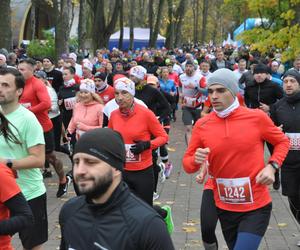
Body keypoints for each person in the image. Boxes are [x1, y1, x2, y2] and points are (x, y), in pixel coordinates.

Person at [183, 68, 290, 250]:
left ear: (233, 92)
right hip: (224, 205)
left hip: (256, 205)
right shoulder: (202, 125)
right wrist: (196, 159)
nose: (214, 96)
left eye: (220, 90)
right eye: (210, 91)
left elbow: (282, 142)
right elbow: (187, 164)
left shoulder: (256, 117)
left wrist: (272, 167)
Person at [59, 128, 175, 250]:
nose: (80, 170)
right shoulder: (69, 211)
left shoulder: (148, 226)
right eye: (76, 162)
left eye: (91, 162)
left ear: (116, 168)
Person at [108, 77, 174, 234]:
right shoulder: (114, 115)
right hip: (122, 170)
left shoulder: (146, 114)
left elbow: (163, 137)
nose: (119, 97)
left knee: (145, 211)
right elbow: (110, 136)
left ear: (132, 95)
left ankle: (163, 214)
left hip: (143, 171)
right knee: (122, 207)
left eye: (124, 93)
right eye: (116, 93)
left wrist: (147, 145)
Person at [0, 67, 48, 250]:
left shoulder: (28, 119)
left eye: (5, 85)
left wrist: (7, 164)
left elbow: (39, 159)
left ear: (19, 91)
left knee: (33, 246)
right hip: (2, 194)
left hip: (29, 193)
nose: (0, 89)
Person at [18, 59, 69, 197]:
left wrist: (28, 111)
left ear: (31, 70)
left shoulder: (37, 84)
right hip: (24, 127)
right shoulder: (17, 84)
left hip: (42, 127)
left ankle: (63, 180)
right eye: (18, 69)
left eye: (22, 69)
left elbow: (46, 104)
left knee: (50, 157)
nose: (19, 71)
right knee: (24, 154)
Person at [270, 69, 300, 246]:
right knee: (294, 199)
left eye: (292, 81)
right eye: (286, 81)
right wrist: (276, 134)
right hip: (288, 162)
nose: (288, 84)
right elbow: (271, 135)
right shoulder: (277, 107)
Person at [179, 60, 206, 144]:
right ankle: (190, 150)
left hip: (197, 106)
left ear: (194, 68)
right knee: (188, 128)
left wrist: (196, 87)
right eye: (187, 66)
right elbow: (180, 87)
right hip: (186, 106)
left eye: (190, 66)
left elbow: (205, 91)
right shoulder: (181, 77)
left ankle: (197, 145)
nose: (188, 68)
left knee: (197, 129)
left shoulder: (200, 77)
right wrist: (180, 95)